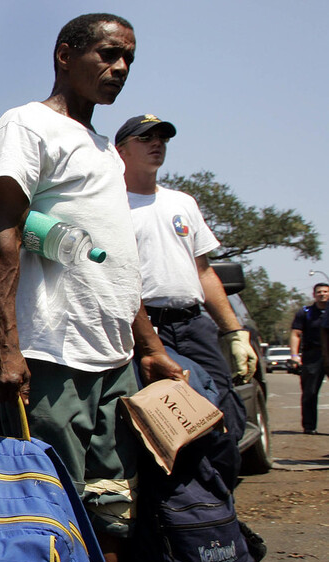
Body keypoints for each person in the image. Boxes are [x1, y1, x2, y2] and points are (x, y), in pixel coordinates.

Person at [0, 14, 179, 562]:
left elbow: (117, 264)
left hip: (113, 361)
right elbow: (4, 230)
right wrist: (6, 343)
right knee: (47, 511)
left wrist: (150, 348)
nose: (120, 67)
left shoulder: (100, 149)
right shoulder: (26, 125)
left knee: (111, 510)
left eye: (128, 57)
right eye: (107, 53)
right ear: (65, 54)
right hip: (51, 353)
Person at [116, 113, 256, 487]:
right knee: (158, 424)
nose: (156, 143)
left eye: (162, 137)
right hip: (141, 330)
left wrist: (234, 332)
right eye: (145, 137)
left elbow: (204, 272)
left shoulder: (182, 203)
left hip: (193, 324)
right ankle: (173, 524)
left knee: (224, 414)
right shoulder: (111, 205)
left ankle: (218, 513)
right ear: (121, 151)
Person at [289, 283, 328, 434]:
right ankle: (309, 426)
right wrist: (294, 355)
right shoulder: (306, 312)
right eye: (319, 292)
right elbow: (296, 334)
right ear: (314, 295)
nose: (322, 294)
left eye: (325, 291)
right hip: (312, 355)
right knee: (309, 392)